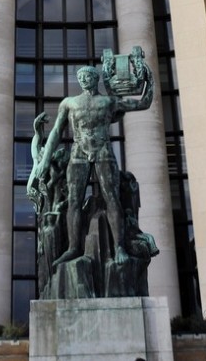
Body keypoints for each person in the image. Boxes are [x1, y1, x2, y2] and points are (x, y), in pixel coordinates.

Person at [37, 62, 153, 267]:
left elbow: (143, 103)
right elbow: (56, 131)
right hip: (79, 151)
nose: (83, 80)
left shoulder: (108, 102)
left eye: (87, 76)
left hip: (102, 150)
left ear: (96, 79)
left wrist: (147, 78)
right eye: (80, 77)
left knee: (112, 198)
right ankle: (73, 248)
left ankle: (119, 247)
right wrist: (45, 160)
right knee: (74, 199)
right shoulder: (69, 103)